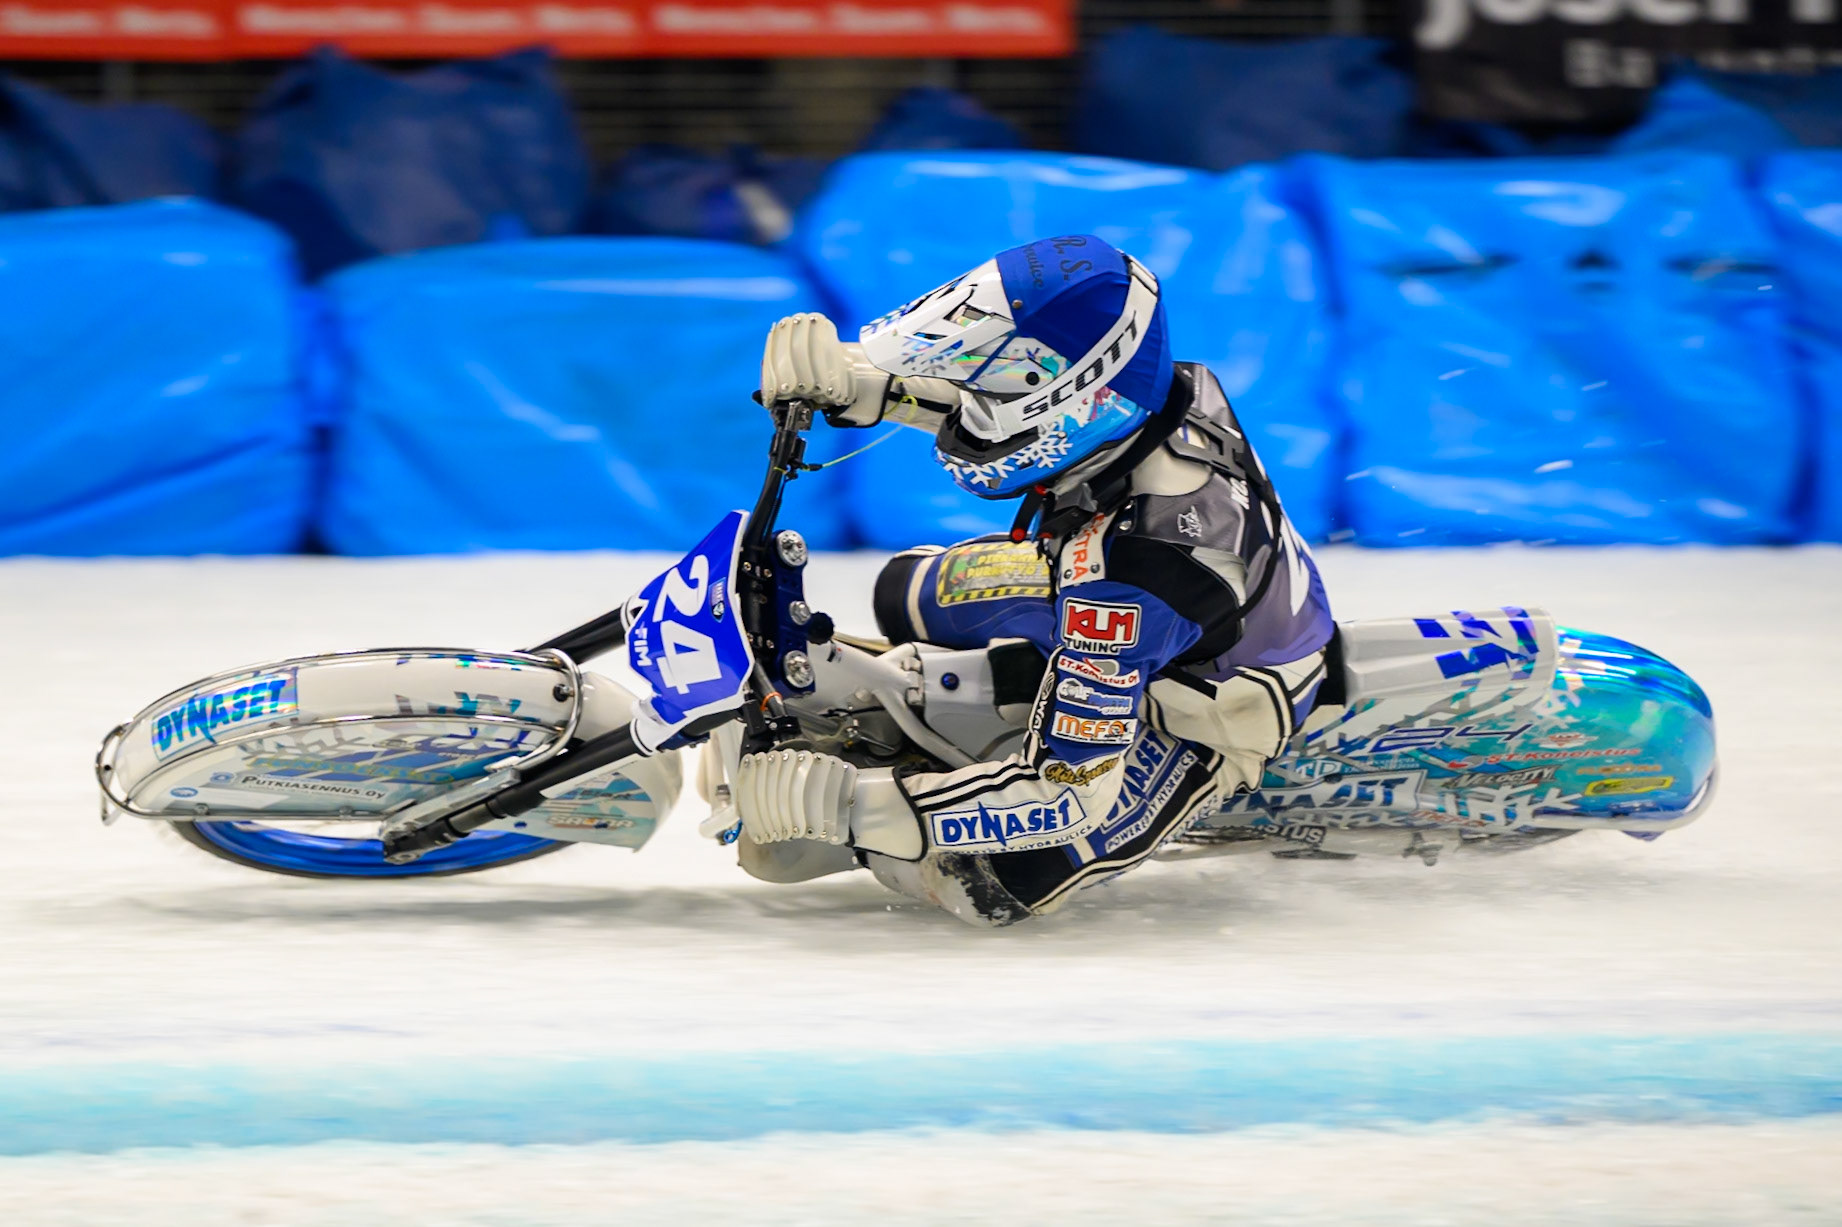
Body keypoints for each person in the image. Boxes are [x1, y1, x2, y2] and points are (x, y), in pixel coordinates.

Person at [731, 234, 1333, 926]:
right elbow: (1031, 405)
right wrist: (863, 381)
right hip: (1096, 573)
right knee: (904, 590)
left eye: (997, 386)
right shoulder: (1154, 389)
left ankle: (936, 759)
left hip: (1208, 701)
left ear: (1081, 396)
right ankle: (933, 699)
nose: (975, 401)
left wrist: (851, 807)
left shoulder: (1135, 576)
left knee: (991, 881)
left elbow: (1064, 795)